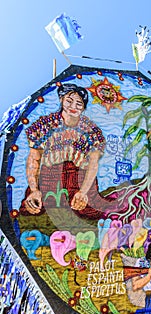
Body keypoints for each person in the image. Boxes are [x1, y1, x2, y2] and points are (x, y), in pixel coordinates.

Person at [20, 83, 108, 219]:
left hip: (80, 177)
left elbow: (93, 164)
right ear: (61, 100)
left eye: (79, 103)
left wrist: (83, 192)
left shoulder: (91, 131)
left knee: (90, 211)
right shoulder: (45, 125)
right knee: (34, 207)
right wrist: (34, 189)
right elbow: (34, 159)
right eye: (69, 101)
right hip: (50, 176)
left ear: (84, 107)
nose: (73, 107)